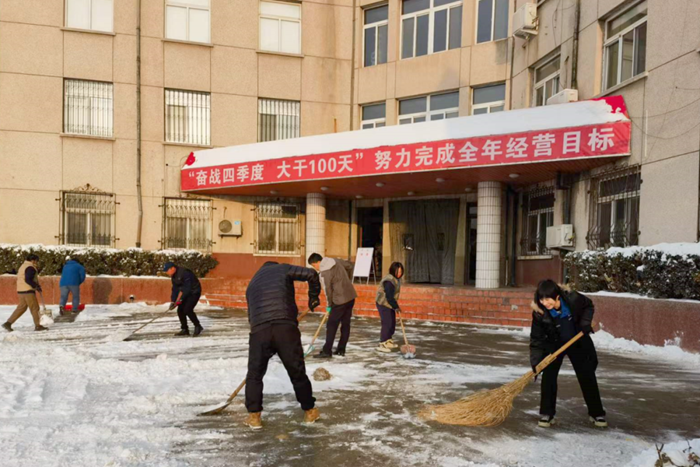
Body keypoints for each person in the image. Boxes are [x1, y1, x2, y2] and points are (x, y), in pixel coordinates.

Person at [244, 261, 322, 430]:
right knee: (297, 372)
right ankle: (310, 411)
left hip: (259, 331)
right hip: (285, 328)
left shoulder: (252, 284)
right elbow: (311, 274)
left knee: (254, 375)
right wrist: (313, 297)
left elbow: (251, 315)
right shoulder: (282, 268)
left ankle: (254, 417)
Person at [530, 280, 607, 428]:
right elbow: (536, 338)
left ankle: (597, 413)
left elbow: (588, 305)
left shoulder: (573, 298)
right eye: (541, 299)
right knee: (549, 376)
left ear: (557, 296)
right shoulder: (539, 313)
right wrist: (536, 361)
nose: (545, 303)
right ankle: (547, 414)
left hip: (576, 339)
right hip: (554, 344)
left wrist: (585, 323)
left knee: (587, 375)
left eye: (548, 299)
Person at [308, 253, 357, 358]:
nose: (315, 268)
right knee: (345, 324)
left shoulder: (324, 273)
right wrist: (346, 281)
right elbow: (350, 266)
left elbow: (328, 291)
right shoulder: (334, 260)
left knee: (331, 325)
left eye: (314, 265)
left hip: (339, 300)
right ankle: (341, 349)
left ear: (318, 262)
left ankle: (327, 351)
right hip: (350, 296)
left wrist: (329, 305)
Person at [2, 254, 48, 332]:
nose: (36, 262)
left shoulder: (23, 266)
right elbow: (28, 279)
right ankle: (38, 325)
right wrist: (36, 286)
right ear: (33, 260)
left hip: (21, 290)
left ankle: (8, 323)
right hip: (28, 291)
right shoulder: (30, 267)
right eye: (36, 260)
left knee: (21, 308)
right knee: (35, 308)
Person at [163, 262, 203, 337]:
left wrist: (180, 300)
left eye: (167, 270)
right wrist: (173, 301)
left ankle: (198, 326)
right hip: (186, 292)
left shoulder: (185, 273)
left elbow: (188, 288)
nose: (166, 273)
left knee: (187, 309)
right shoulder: (174, 276)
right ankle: (185, 329)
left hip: (194, 292)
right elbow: (175, 289)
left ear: (172, 268)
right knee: (180, 310)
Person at [375, 262, 404, 353]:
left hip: (389, 303)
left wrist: (395, 306)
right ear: (393, 270)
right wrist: (396, 307)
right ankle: (382, 342)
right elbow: (389, 296)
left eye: (401, 272)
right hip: (383, 303)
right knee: (387, 323)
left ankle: (388, 340)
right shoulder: (389, 281)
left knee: (392, 323)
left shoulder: (396, 279)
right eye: (397, 272)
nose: (399, 274)